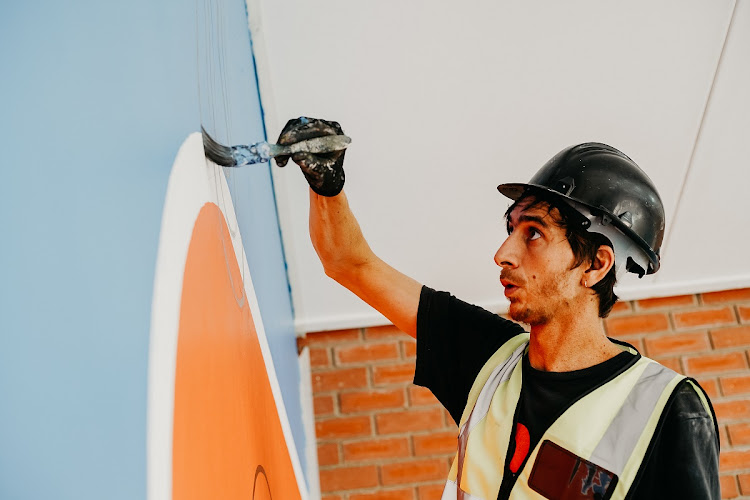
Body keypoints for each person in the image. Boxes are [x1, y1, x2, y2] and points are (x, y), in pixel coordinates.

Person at [276, 117, 720, 499]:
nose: (503, 253)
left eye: (533, 233)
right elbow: (350, 263)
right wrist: (327, 182)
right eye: (511, 228)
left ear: (595, 265)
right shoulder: (490, 357)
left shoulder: (668, 410)